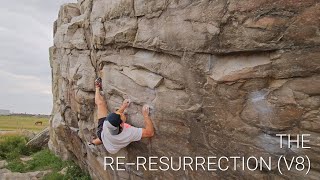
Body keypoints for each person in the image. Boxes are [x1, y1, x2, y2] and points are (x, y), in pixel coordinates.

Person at [90, 77, 155, 154]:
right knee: (104, 138)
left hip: (104, 135)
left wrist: (123, 107)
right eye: (121, 115)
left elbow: (116, 116)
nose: (121, 113)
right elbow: (150, 133)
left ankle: (93, 142)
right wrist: (145, 115)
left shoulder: (106, 124)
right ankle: (95, 142)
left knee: (100, 104)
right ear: (121, 124)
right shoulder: (128, 133)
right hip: (112, 148)